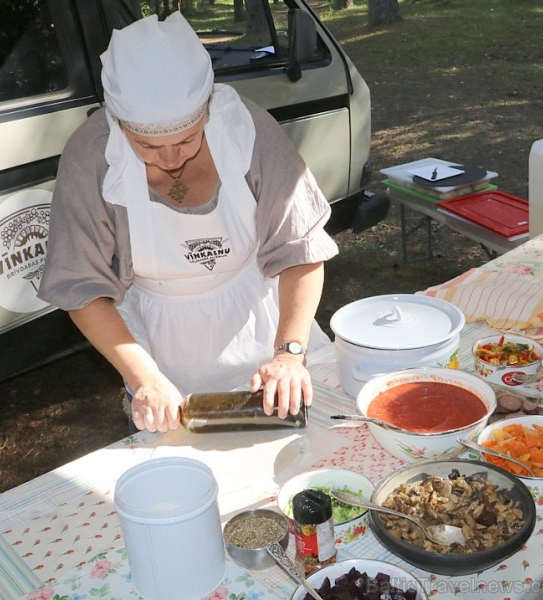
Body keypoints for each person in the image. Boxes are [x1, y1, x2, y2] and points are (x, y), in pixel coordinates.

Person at [38, 12, 338, 433]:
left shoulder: (247, 133)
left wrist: (289, 353)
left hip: (265, 325)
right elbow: (80, 288)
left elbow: (301, 250)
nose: (172, 159)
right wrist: (145, 378)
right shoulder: (90, 158)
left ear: (207, 108)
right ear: (119, 124)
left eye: (186, 139)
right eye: (147, 145)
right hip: (159, 357)